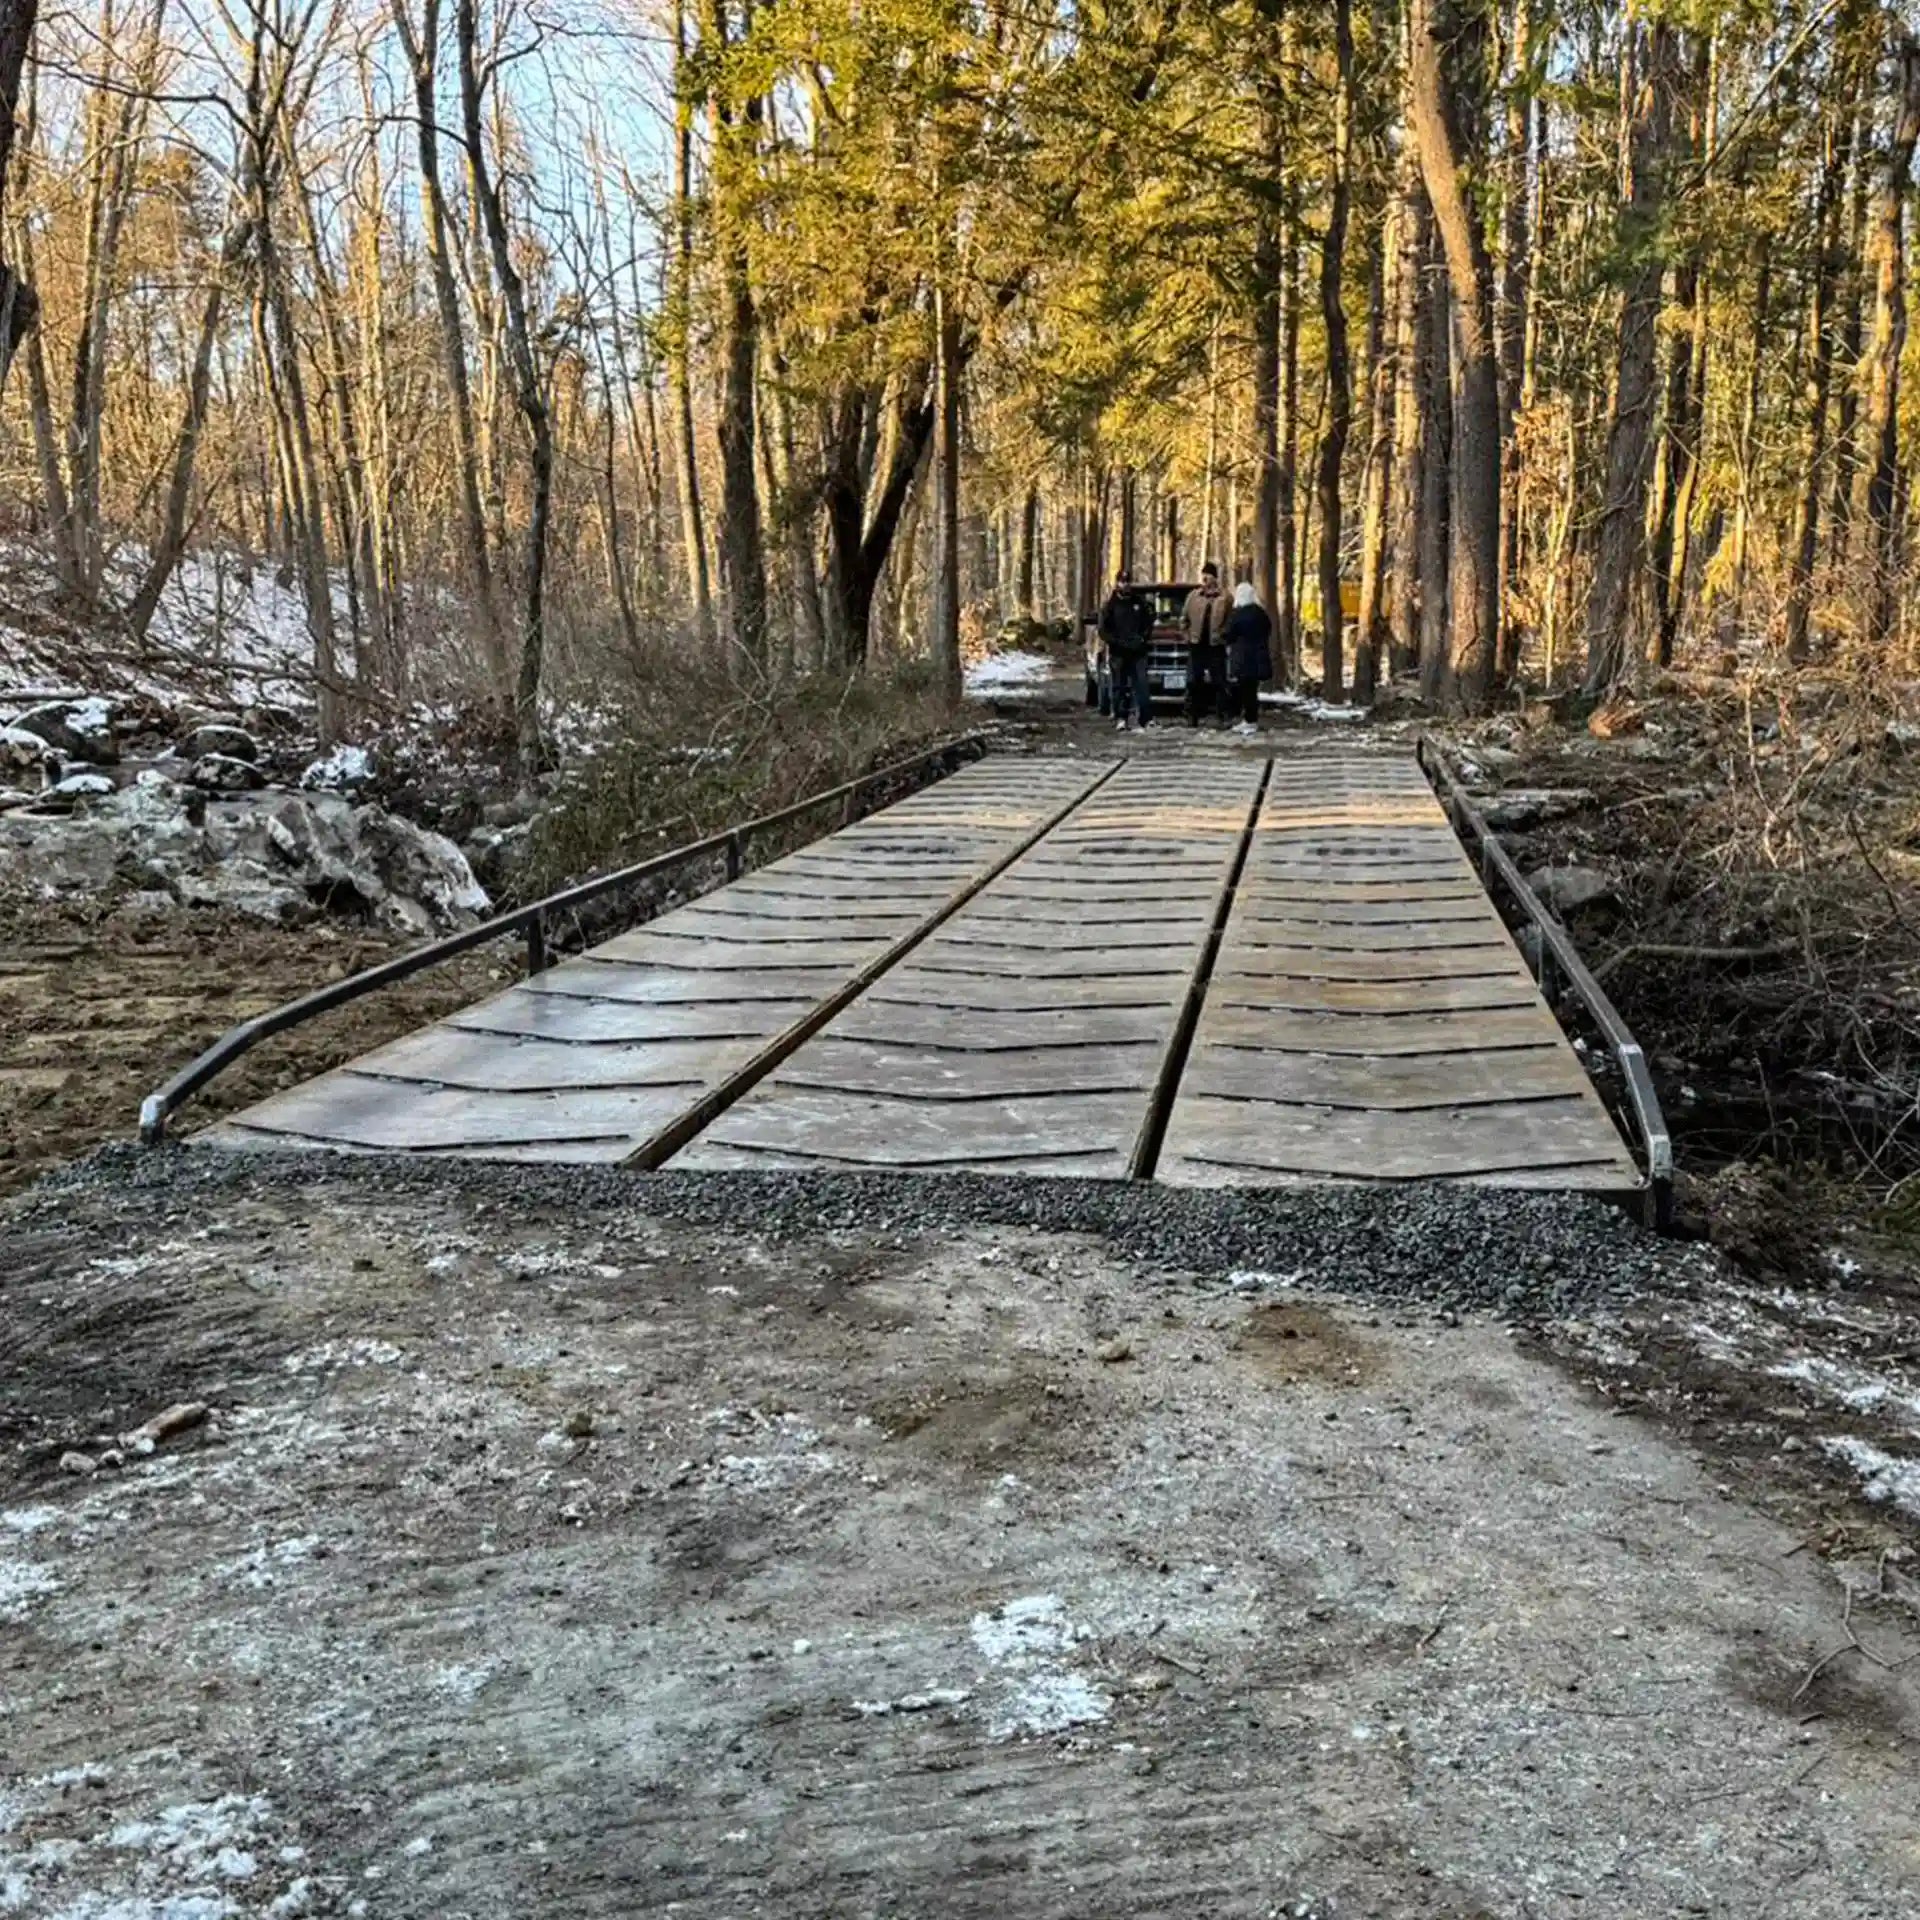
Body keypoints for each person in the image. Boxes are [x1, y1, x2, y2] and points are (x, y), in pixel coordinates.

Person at [1097, 568, 1154, 730]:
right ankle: (1121, 716)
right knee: (1119, 686)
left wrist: (1142, 638)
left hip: (1138, 652)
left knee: (1142, 685)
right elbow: (1103, 630)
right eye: (1122, 581)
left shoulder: (1139, 603)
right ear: (1117, 583)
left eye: (1127, 581)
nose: (1125, 585)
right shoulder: (1110, 605)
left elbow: (1148, 623)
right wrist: (1116, 642)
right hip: (1118, 652)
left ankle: (1146, 718)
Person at [1181, 562, 1231, 728]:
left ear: (1215, 577)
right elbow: (1184, 620)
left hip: (1216, 645)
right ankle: (1192, 715)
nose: (1204, 578)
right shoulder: (1193, 597)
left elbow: (1231, 620)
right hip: (1196, 645)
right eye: (1203, 574)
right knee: (1193, 682)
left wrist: (1224, 635)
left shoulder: (1225, 597)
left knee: (1219, 682)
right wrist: (1187, 637)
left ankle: (1222, 715)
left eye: (1208, 575)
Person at [1221, 580, 1273, 735]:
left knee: (1246, 691)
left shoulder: (1238, 614)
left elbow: (1229, 634)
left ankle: (1249, 720)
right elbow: (1268, 629)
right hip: (1259, 657)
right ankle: (1251, 719)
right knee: (1252, 690)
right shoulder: (1260, 613)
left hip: (1243, 658)